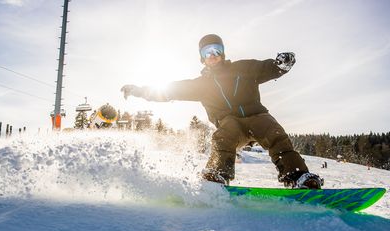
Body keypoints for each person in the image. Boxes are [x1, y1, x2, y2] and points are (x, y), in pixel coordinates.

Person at [121, 34, 323, 189]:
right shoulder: (201, 85)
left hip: (256, 116)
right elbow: (169, 90)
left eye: (216, 50)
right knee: (225, 132)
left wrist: (280, 65)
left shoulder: (242, 68)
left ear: (223, 52)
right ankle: (217, 175)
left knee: (272, 130)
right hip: (230, 124)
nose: (213, 56)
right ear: (202, 58)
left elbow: (266, 68)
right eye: (207, 52)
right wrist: (139, 90)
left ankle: (297, 176)